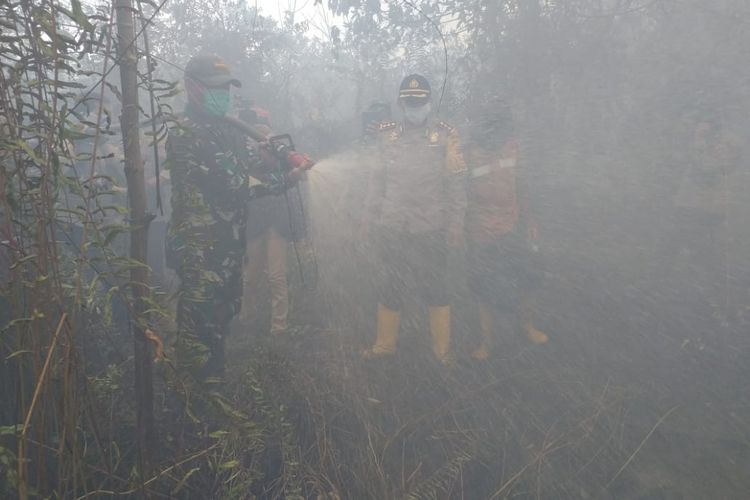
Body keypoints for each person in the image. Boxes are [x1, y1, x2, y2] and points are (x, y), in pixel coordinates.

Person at [166, 54, 309, 378]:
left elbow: (250, 158)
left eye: (226, 89)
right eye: (215, 88)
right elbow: (234, 184)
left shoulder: (223, 127)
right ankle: (193, 395)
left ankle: (213, 388)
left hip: (228, 247)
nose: (223, 95)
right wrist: (285, 179)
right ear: (192, 87)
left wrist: (278, 158)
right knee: (199, 328)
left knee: (223, 317)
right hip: (201, 252)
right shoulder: (187, 132)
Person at [361, 74, 467, 365]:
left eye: (419, 102)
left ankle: (442, 351)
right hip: (393, 225)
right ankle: (385, 346)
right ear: (400, 103)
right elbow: (376, 181)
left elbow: (456, 185)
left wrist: (457, 224)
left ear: (429, 103)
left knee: (435, 287)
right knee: (391, 286)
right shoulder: (386, 135)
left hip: (431, 226)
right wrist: (368, 217)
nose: (414, 107)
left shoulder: (446, 136)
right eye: (409, 102)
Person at [464, 97, 548, 361]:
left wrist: (531, 221)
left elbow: (523, 186)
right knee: (483, 287)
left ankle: (526, 327)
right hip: (480, 232)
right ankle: (487, 343)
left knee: (528, 278)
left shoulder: (515, 148)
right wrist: (464, 229)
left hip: (513, 226)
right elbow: (462, 194)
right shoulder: (469, 153)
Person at [239, 104, 306, 335]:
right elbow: (255, 178)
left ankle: (279, 327)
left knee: (276, 275)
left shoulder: (282, 150)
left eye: (264, 128)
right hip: (255, 222)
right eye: (257, 129)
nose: (261, 133)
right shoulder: (245, 152)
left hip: (278, 222)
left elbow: (298, 174)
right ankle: (247, 318)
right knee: (250, 276)